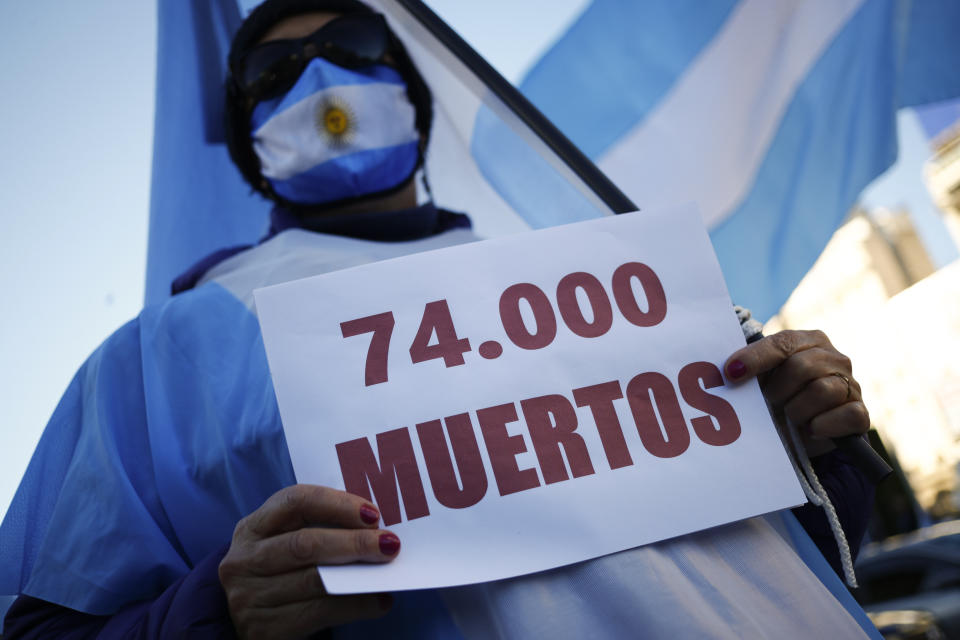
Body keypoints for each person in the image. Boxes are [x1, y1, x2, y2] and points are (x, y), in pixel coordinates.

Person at [0, 0, 878, 637]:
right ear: (251, 142)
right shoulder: (167, 354)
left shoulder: (608, 274)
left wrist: (817, 439)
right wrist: (216, 612)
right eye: (273, 74)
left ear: (414, 102)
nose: (320, 79)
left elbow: (798, 539)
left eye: (351, 44)